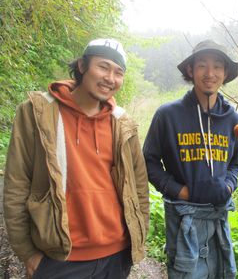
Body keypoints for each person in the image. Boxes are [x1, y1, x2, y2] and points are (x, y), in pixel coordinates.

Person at [3, 38, 149, 279]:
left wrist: (139, 235)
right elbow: (17, 184)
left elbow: (139, 187)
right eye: (103, 67)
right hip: (60, 259)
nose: (110, 78)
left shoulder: (123, 124)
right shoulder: (37, 113)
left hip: (116, 256)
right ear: (82, 66)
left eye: (118, 72)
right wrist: (27, 253)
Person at [143, 39, 238, 278]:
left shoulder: (232, 119)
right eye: (202, 65)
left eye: (218, 66)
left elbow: (235, 163)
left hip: (219, 216)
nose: (210, 73)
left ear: (225, 73)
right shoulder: (168, 114)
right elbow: (148, 161)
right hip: (183, 217)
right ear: (190, 70)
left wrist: (229, 185)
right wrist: (178, 190)